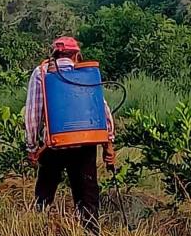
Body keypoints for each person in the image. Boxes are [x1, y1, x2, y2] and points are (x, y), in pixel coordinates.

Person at [25, 36, 116, 235]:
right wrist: (109, 147)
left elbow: (33, 114)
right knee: (87, 194)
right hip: (85, 143)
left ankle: (36, 228)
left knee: (45, 193)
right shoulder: (86, 73)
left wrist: (32, 148)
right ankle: (91, 231)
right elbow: (102, 110)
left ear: (54, 54)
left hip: (53, 144)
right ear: (76, 54)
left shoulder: (42, 72)